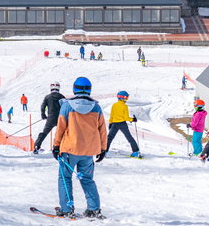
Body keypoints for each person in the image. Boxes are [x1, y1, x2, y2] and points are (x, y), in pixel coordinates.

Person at [52, 76, 108, 218]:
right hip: (88, 152)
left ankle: (66, 208)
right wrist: (103, 148)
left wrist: (56, 146)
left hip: (70, 150)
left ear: (74, 89)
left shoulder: (67, 106)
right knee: (87, 179)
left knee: (65, 177)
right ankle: (94, 208)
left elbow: (60, 128)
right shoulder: (96, 107)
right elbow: (102, 129)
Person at [105, 90, 141, 158]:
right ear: (122, 97)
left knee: (109, 138)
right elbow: (126, 118)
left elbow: (111, 115)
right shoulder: (124, 106)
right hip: (122, 124)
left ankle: (104, 152)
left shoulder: (114, 105)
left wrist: (110, 123)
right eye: (126, 97)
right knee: (129, 137)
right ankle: (136, 152)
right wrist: (133, 119)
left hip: (114, 124)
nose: (127, 99)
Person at [33, 82, 64, 154]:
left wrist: (43, 114)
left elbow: (43, 106)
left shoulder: (47, 97)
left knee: (44, 133)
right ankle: (61, 148)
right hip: (60, 118)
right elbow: (66, 107)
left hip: (51, 117)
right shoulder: (62, 97)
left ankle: (36, 146)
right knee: (63, 133)